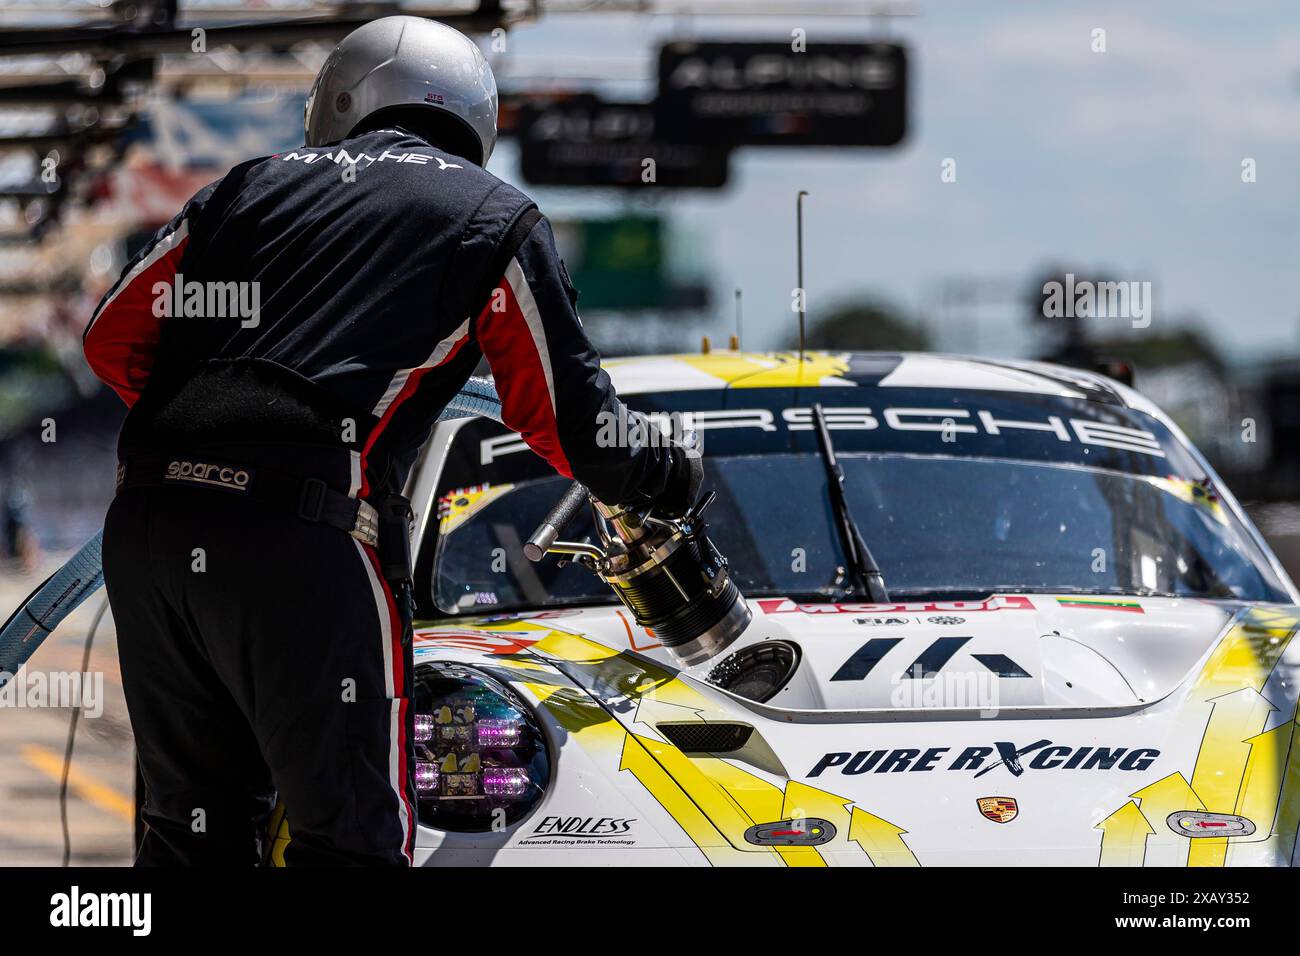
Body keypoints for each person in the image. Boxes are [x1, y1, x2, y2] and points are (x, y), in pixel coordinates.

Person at [84, 15, 698, 866]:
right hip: (304, 536)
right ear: (475, 123)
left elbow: (111, 338)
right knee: (353, 837)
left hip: (151, 525)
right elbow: (569, 423)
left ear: (337, 104)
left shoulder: (243, 187)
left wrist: (209, 442)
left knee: (191, 831)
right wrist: (665, 472)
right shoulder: (493, 216)